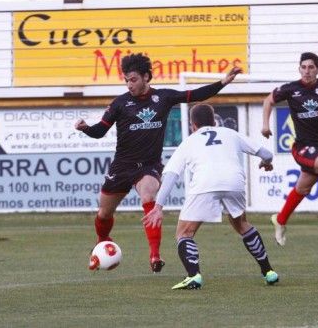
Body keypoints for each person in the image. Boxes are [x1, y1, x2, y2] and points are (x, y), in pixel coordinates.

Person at [75, 53, 242, 273]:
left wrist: (222, 82)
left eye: (133, 79)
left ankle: (155, 255)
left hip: (148, 166)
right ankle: (102, 241)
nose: (129, 84)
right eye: (126, 80)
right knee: (104, 214)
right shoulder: (120, 103)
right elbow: (99, 131)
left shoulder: (162, 98)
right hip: (122, 166)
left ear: (146, 77)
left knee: (149, 196)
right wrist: (85, 128)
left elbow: (194, 95)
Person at [142, 104, 279, 289]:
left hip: (205, 183)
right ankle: (268, 271)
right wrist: (266, 163)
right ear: (214, 122)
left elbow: (171, 175)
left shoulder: (189, 141)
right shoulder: (231, 133)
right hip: (234, 181)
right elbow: (267, 154)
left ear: (193, 126)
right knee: (241, 224)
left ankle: (193, 275)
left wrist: (158, 207)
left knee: (184, 233)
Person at [261, 52, 318, 246]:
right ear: (299, 68)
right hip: (302, 147)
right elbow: (268, 100)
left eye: (311, 67)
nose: (307, 71)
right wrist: (265, 125)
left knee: (303, 188)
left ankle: (280, 219)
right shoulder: (290, 89)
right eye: (304, 67)